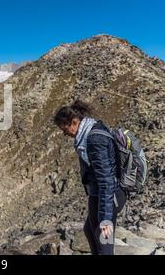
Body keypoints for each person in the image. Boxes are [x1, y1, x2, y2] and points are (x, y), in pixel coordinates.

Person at [53, 100, 127, 255]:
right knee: (89, 230)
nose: (64, 133)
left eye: (64, 128)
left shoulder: (94, 140)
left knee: (104, 243)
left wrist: (106, 219)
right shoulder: (91, 130)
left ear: (74, 122)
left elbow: (106, 181)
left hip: (108, 195)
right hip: (100, 194)